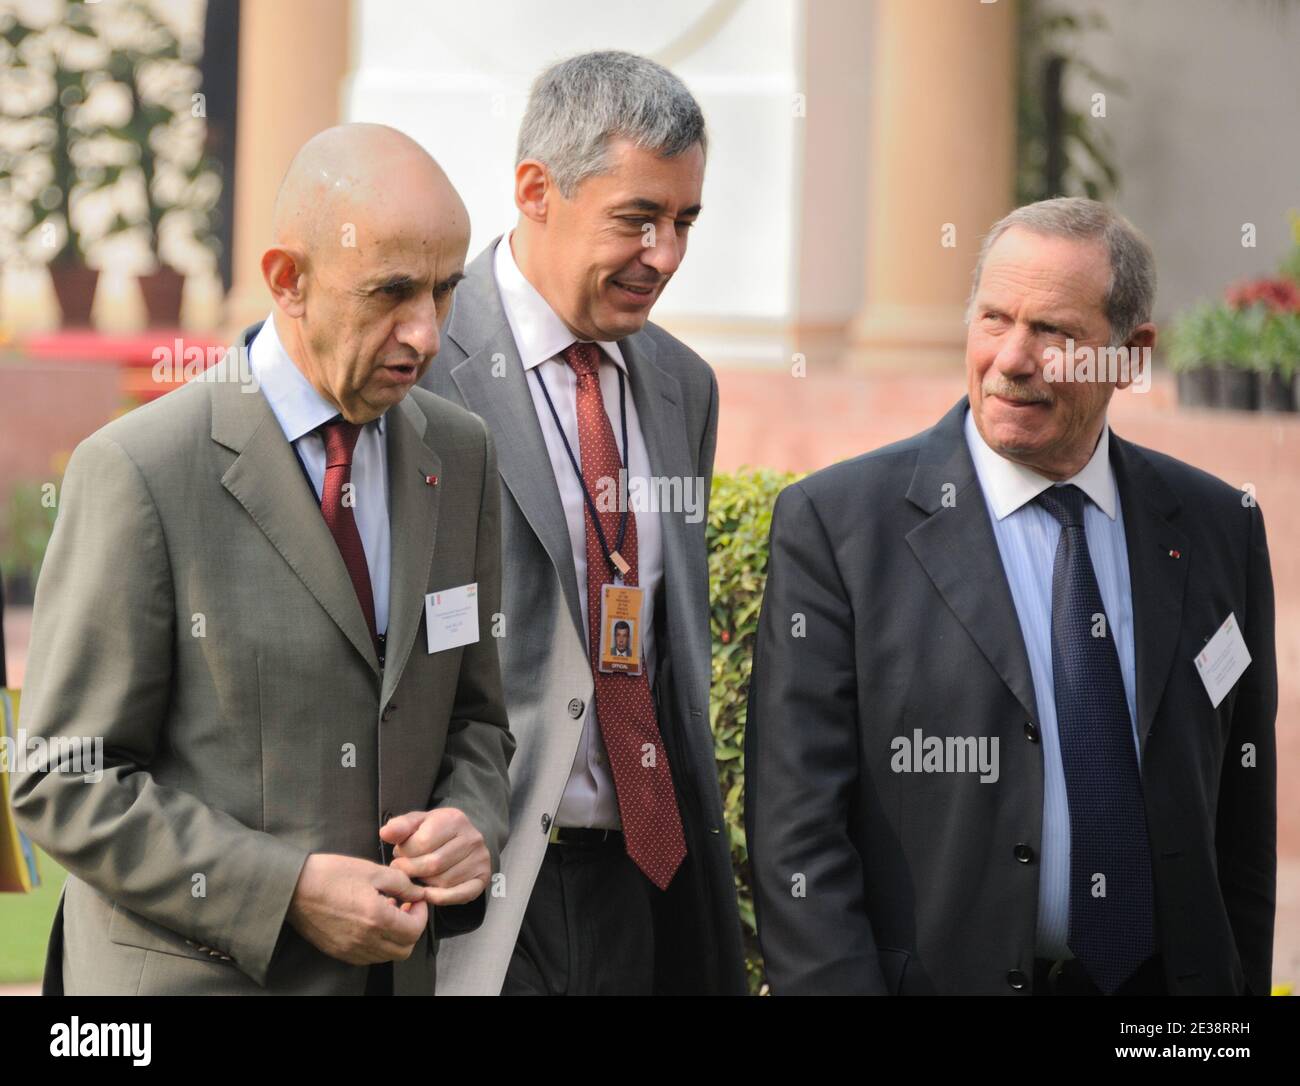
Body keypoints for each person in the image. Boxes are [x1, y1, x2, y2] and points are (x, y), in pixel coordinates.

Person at [12, 124, 514, 996]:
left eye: (444, 291)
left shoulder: (461, 455)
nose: (427, 334)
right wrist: (285, 892)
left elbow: (477, 719)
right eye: (393, 292)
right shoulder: (140, 469)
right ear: (288, 280)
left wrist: (473, 820)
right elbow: (64, 779)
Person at [746, 197, 1276, 997]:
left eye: (1055, 333)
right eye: (994, 319)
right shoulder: (839, 526)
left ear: (1131, 358)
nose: (1012, 359)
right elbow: (797, 832)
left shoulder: (1216, 526)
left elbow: (1242, 814)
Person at [422, 51, 745, 995]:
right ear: (535, 190)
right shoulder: (421, 360)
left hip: (644, 884)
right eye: (638, 219)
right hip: (477, 883)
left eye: (683, 221)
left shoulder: (685, 386)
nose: (667, 255)